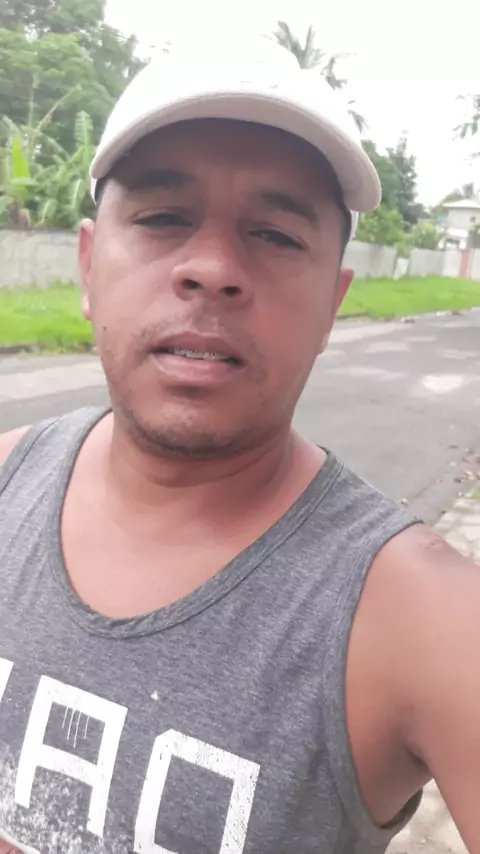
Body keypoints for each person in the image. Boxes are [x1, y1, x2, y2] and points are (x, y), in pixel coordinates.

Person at [0, 38, 477, 854]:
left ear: (332, 305)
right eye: (163, 217)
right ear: (87, 266)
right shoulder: (6, 478)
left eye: (276, 234)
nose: (214, 268)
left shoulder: (421, 617)